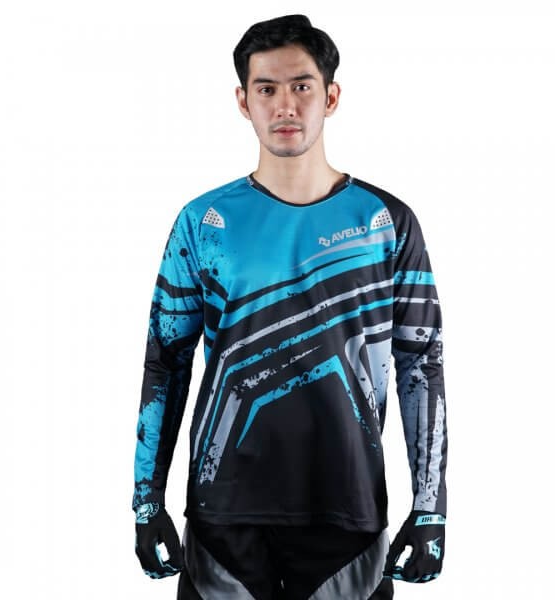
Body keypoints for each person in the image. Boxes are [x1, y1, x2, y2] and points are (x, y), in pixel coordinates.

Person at [132, 14, 447, 600]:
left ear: (331, 96)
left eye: (302, 86)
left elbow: (421, 365)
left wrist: (431, 507)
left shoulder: (387, 222)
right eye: (267, 88)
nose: (285, 105)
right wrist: (146, 499)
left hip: (346, 505)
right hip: (224, 510)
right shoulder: (203, 223)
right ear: (243, 101)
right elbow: (166, 362)